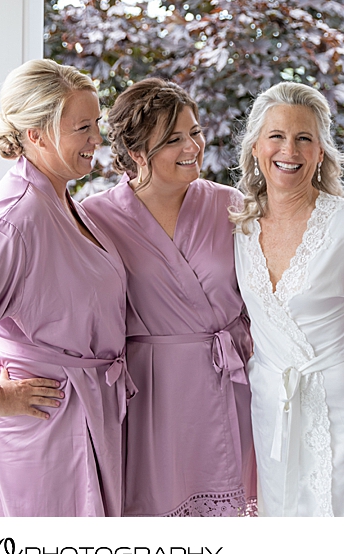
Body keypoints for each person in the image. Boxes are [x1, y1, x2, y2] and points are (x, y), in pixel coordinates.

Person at [0, 59, 132, 517]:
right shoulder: (19, 214)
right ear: (36, 134)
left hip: (77, 413)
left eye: (97, 124)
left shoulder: (59, 198)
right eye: (83, 128)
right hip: (43, 424)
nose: (97, 139)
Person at [82, 78, 256, 517]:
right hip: (153, 393)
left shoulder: (229, 204)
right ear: (137, 153)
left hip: (232, 382)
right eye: (174, 139)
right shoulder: (95, 218)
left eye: (194, 132)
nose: (193, 146)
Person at [231, 82, 344, 517]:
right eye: (277, 136)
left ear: (320, 151)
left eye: (304, 138)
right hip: (272, 410)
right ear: (255, 147)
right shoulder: (240, 228)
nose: (290, 149)